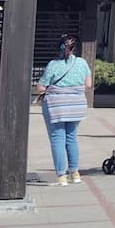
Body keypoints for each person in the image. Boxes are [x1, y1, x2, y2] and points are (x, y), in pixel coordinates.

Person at [37, 35, 92, 186]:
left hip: (56, 106)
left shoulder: (53, 64)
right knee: (72, 138)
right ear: (75, 48)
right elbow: (88, 84)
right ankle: (75, 173)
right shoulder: (82, 63)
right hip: (76, 105)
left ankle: (61, 176)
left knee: (57, 139)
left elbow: (41, 87)